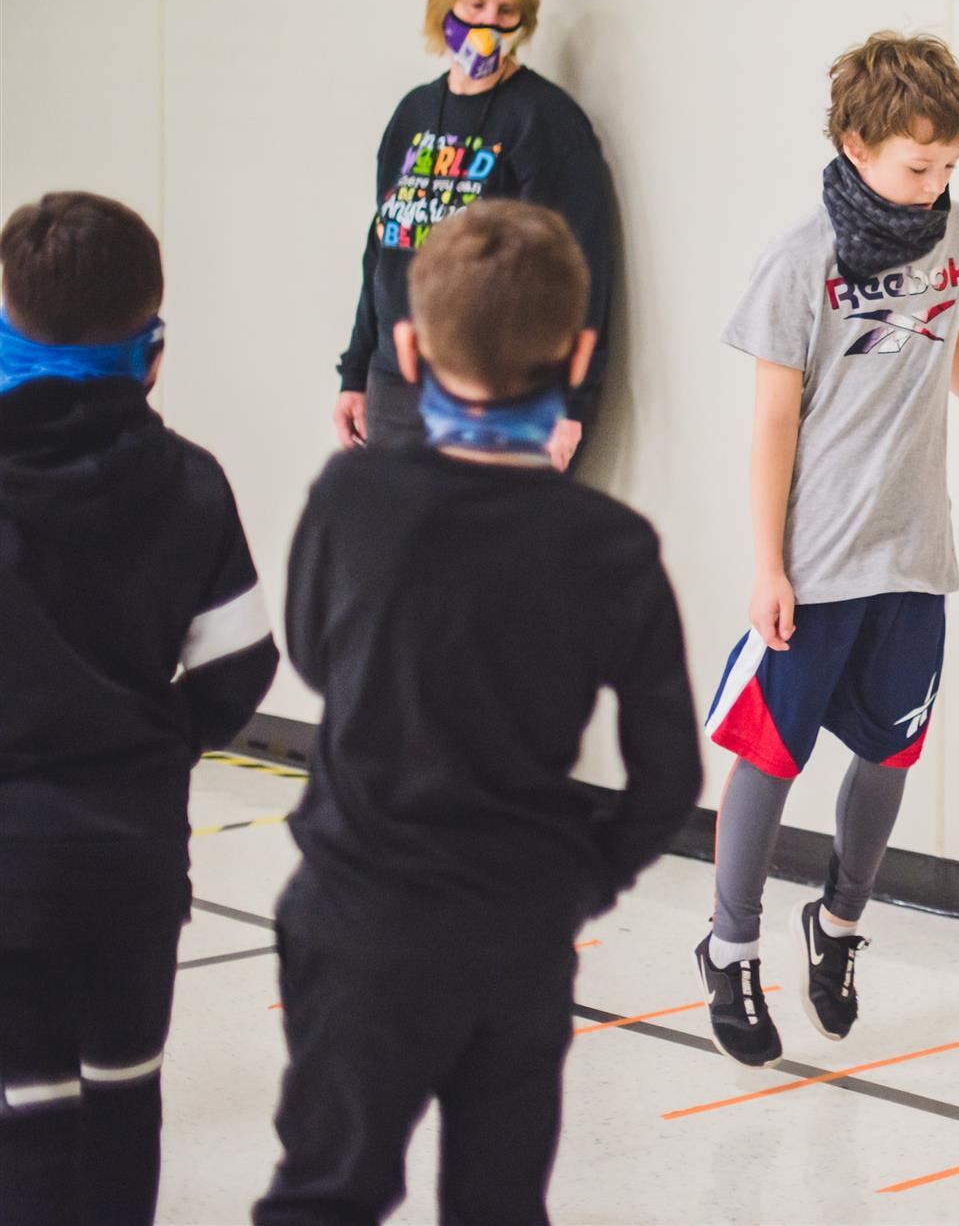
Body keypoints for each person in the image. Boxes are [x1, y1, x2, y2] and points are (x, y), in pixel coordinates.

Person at [255, 200, 702, 1225]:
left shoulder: (349, 498)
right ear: (578, 350)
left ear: (407, 350)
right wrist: (581, 882)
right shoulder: (611, 542)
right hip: (516, 927)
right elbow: (666, 777)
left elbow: (320, 660)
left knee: (327, 1192)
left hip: (358, 912)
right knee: (499, 1204)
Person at [695, 32, 959, 1066]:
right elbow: (771, 422)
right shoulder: (800, 259)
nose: (934, 188)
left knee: (888, 751)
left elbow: (945, 334)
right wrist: (767, 563)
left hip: (914, 554)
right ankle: (730, 943)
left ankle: (836, 928)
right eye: (915, 167)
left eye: (949, 169)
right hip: (819, 560)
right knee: (769, 755)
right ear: (854, 142)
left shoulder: (955, 233)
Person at [0, 191, 279, 1224]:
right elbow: (240, 668)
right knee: (124, 1109)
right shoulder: (192, 484)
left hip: (9, 870)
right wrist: (155, 745)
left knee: (25, 1123)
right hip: (132, 863)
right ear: (151, 351)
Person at [333, 0, 613, 470]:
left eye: (506, 10)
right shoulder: (412, 114)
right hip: (395, 386)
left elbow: (583, 269)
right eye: (475, 4)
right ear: (445, 6)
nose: (488, 23)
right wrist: (354, 373)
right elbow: (383, 252)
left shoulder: (545, 120)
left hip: (499, 396)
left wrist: (572, 401)